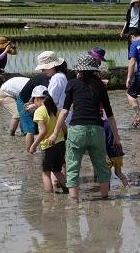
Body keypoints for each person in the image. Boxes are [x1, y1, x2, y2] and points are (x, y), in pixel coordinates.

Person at [49, 55, 121, 202]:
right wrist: (116, 137)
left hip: (77, 130)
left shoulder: (72, 84)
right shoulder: (100, 85)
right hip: (97, 130)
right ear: (94, 70)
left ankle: (74, 200)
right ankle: (104, 197)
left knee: (73, 166)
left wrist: (55, 133)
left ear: (79, 71)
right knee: (101, 166)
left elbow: (64, 111)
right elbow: (110, 114)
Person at [28, 86, 67, 193]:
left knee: (46, 173)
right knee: (58, 171)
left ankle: (49, 199)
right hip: (60, 143)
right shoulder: (56, 109)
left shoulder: (39, 111)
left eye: (33, 100)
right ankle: (67, 191)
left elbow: (43, 131)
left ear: (37, 99)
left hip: (47, 145)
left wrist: (34, 145)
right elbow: (64, 128)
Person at [18, 55, 56, 151]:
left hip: (37, 100)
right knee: (30, 128)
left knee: (41, 125)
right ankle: (30, 152)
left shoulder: (55, 78)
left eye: (44, 69)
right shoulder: (45, 78)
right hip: (25, 100)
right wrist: (33, 105)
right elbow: (47, 96)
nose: (43, 71)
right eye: (43, 69)